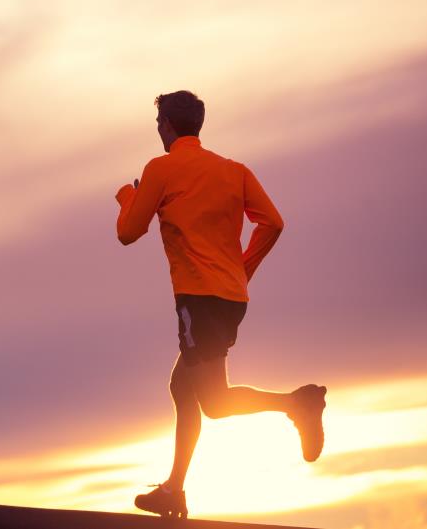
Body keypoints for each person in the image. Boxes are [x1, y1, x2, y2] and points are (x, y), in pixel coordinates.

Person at [114, 91, 326, 519]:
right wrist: (242, 268)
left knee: (213, 402)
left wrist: (127, 198)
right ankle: (174, 490)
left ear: (168, 125)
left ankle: (298, 403)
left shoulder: (161, 168)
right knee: (182, 388)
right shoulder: (234, 170)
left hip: (198, 298)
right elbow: (274, 222)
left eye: (159, 124)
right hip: (231, 297)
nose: (158, 131)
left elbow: (127, 232)